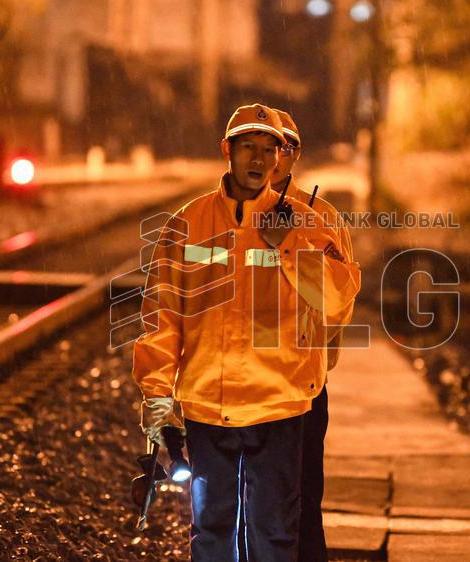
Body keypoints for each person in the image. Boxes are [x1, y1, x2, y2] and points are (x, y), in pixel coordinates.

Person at [132, 103, 361, 562]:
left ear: (281, 158)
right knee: (211, 533)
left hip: (280, 403)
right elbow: (162, 317)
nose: (258, 159)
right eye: (247, 148)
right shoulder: (187, 224)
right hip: (206, 405)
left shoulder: (310, 223)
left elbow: (338, 301)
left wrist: (292, 245)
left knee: (275, 536)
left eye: (268, 150)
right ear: (227, 152)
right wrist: (157, 402)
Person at [268, 108, 356, 562]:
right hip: (238, 387)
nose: (269, 156)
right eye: (258, 145)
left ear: (295, 153)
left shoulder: (321, 216)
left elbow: (338, 299)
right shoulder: (223, 214)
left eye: (279, 146)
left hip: (302, 385)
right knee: (236, 507)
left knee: (301, 506)